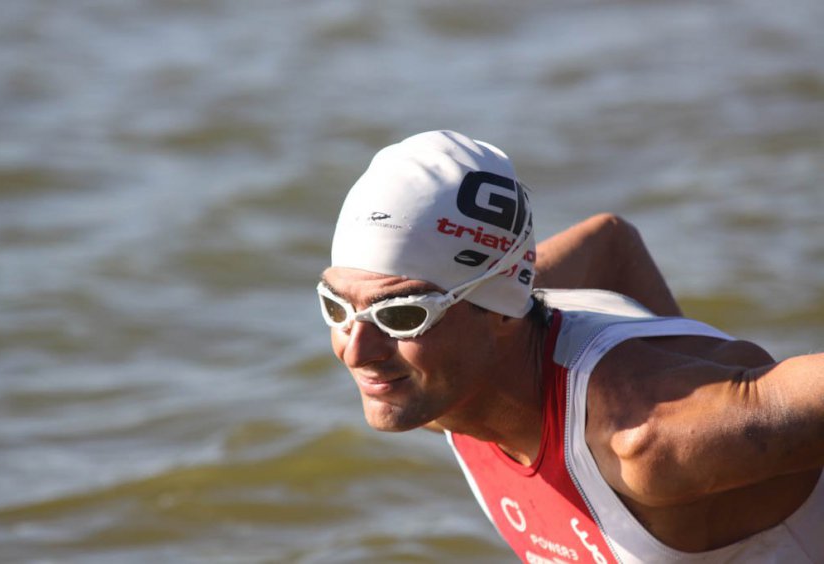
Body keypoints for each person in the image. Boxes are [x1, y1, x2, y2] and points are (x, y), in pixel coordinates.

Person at [317, 130, 823, 563]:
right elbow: (610, 242)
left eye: (400, 316)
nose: (358, 351)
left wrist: (681, 383)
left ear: (498, 310)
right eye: (336, 307)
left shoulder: (649, 441)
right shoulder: (441, 381)